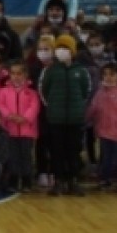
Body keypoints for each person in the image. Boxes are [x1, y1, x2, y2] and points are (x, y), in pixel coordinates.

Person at [39, 34, 91, 197]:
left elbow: (86, 91)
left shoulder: (81, 71)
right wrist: (52, 107)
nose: (62, 51)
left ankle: (73, 181)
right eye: (59, 47)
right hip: (56, 118)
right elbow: (43, 91)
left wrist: (78, 108)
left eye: (66, 48)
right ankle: (58, 181)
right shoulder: (50, 70)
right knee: (57, 151)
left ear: (73, 51)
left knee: (74, 150)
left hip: (75, 119)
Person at [85, 63, 117, 192]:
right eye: (105, 74)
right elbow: (93, 107)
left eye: (112, 74)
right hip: (104, 132)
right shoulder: (100, 92)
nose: (108, 77)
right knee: (106, 158)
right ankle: (104, 179)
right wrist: (86, 118)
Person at [0, 62, 39, 192]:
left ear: (25, 75)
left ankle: (26, 181)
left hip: (27, 130)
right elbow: (0, 105)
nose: (16, 76)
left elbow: (34, 107)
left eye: (19, 73)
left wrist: (25, 118)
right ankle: (13, 181)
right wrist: (9, 116)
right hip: (10, 130)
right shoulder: (4, 91)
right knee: (12, 156)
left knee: (26, 156)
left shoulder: (31, 93)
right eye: (13, 73)